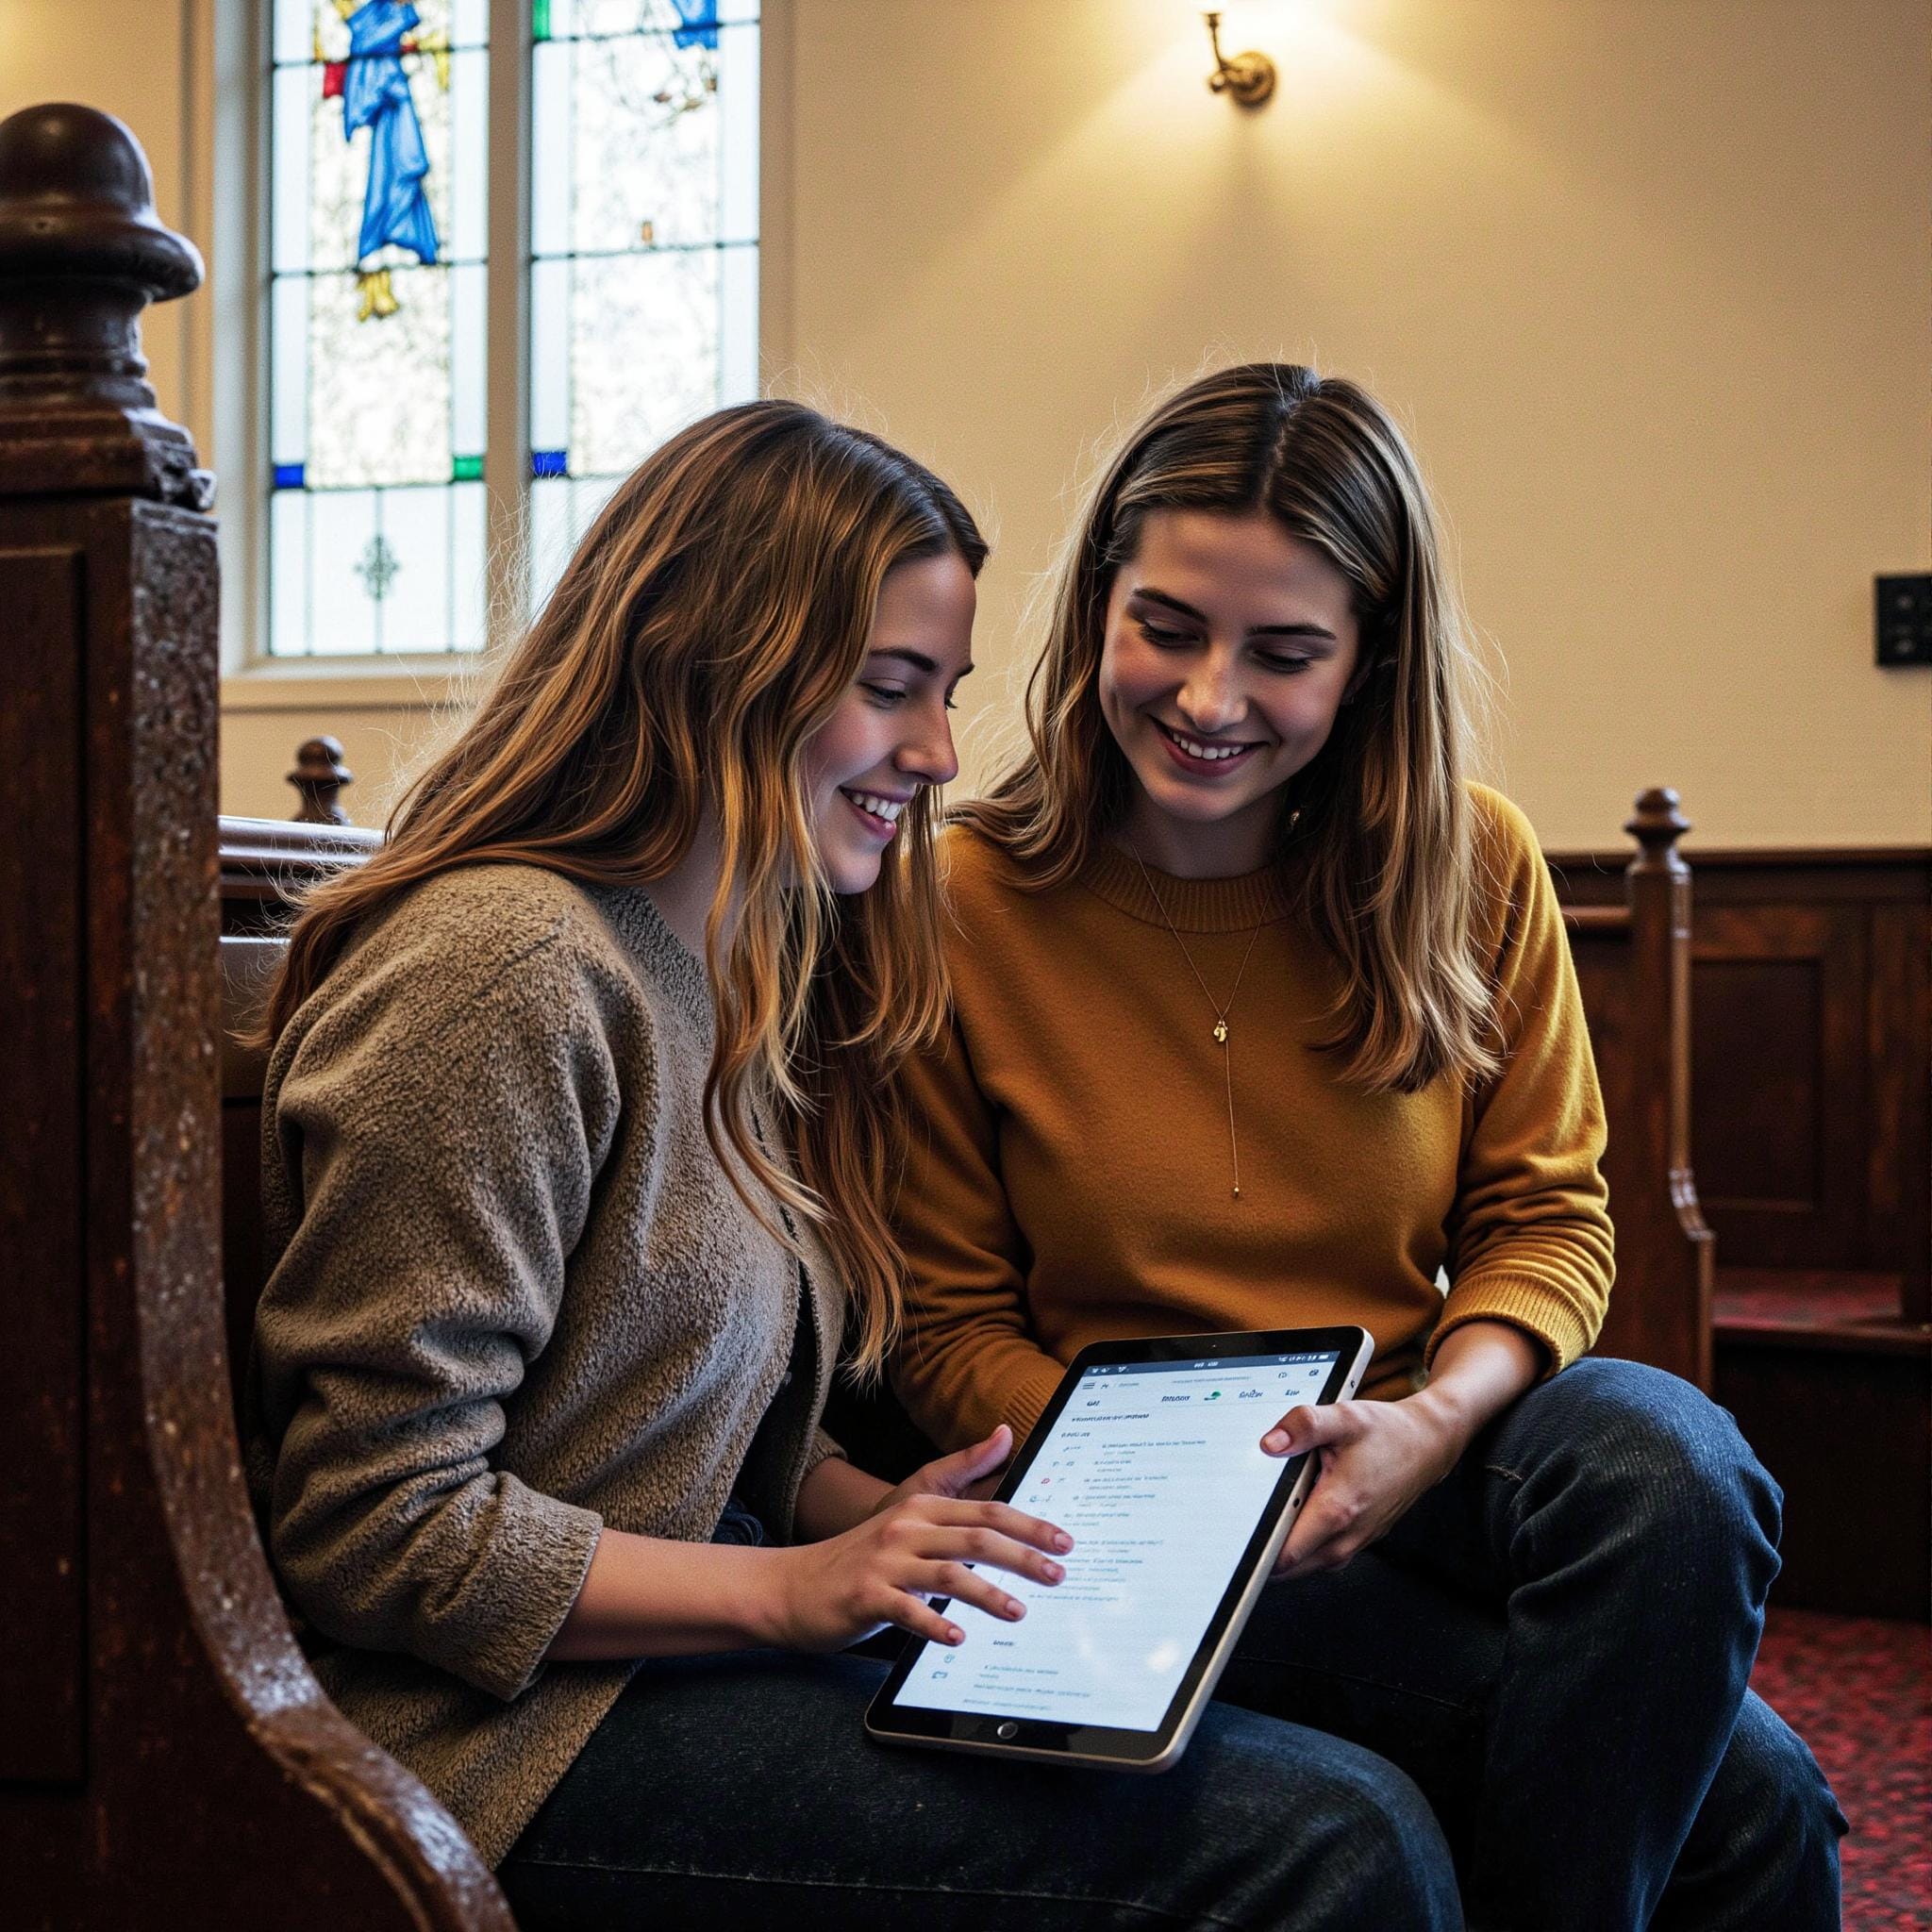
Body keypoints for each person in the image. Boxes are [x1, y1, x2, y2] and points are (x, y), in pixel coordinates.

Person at [246, 398, 1467, 1930]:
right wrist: (792, 1588)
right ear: (718, 663)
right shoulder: (505, 969)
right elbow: (372, 1530)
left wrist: (900, 1524)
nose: (942, 751)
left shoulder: (729, 961)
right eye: (893, 689)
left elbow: (700, 1448)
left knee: (1510, 1745)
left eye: (944, 691)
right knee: (1324, 1840)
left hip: (709, 1661)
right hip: (503, 1746)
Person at [890, 364, 1847, 1929]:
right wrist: (1203, 1495)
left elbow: (1549, 1220)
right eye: (1168, 629)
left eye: (1285, 654)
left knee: (1674, 1467)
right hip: (1132, 1519)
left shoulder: (1469, 860)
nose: (1209, 701)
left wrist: (1431, 1428)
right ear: (1096, 614)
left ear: (1370, 662)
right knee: (1755, 1805)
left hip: (1422, 1452)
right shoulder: (953, 900)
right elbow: (944, 1325)